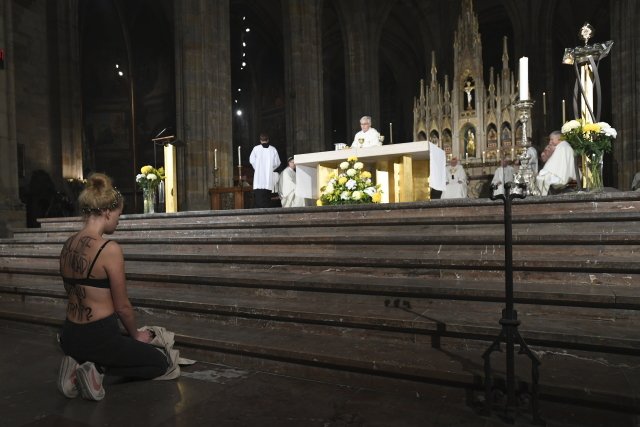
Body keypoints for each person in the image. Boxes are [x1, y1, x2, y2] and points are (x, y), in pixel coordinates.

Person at [57, 173, 169, 401]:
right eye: (118, 214)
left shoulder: (68, 244)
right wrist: (135, 334)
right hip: (99, 337)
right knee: (159, 363)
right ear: (107, 212)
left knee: (115, 350)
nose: (119, 220)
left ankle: (77, 366)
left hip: (68, 335)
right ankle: (95, 371)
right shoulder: (109, 248)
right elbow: (122, 306)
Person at [536, 131, 577, 196]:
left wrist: (543, 172)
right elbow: (545, 159)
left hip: (560, 177)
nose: (550, 142)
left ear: (559, 138)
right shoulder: (564, 146)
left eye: (552, 139)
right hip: (564, 175)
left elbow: (551, 167)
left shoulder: (561, 147)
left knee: (541, 177)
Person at [249, 133, 281, 208]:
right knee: (267, 200)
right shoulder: (273, 149)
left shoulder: (256, 149)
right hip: (268, 179)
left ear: (260, 140)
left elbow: (251, 160)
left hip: (259, 179)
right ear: (268, 140)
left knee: (259, 200)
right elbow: (277, 163)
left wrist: (258, 168)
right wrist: (270, 169)